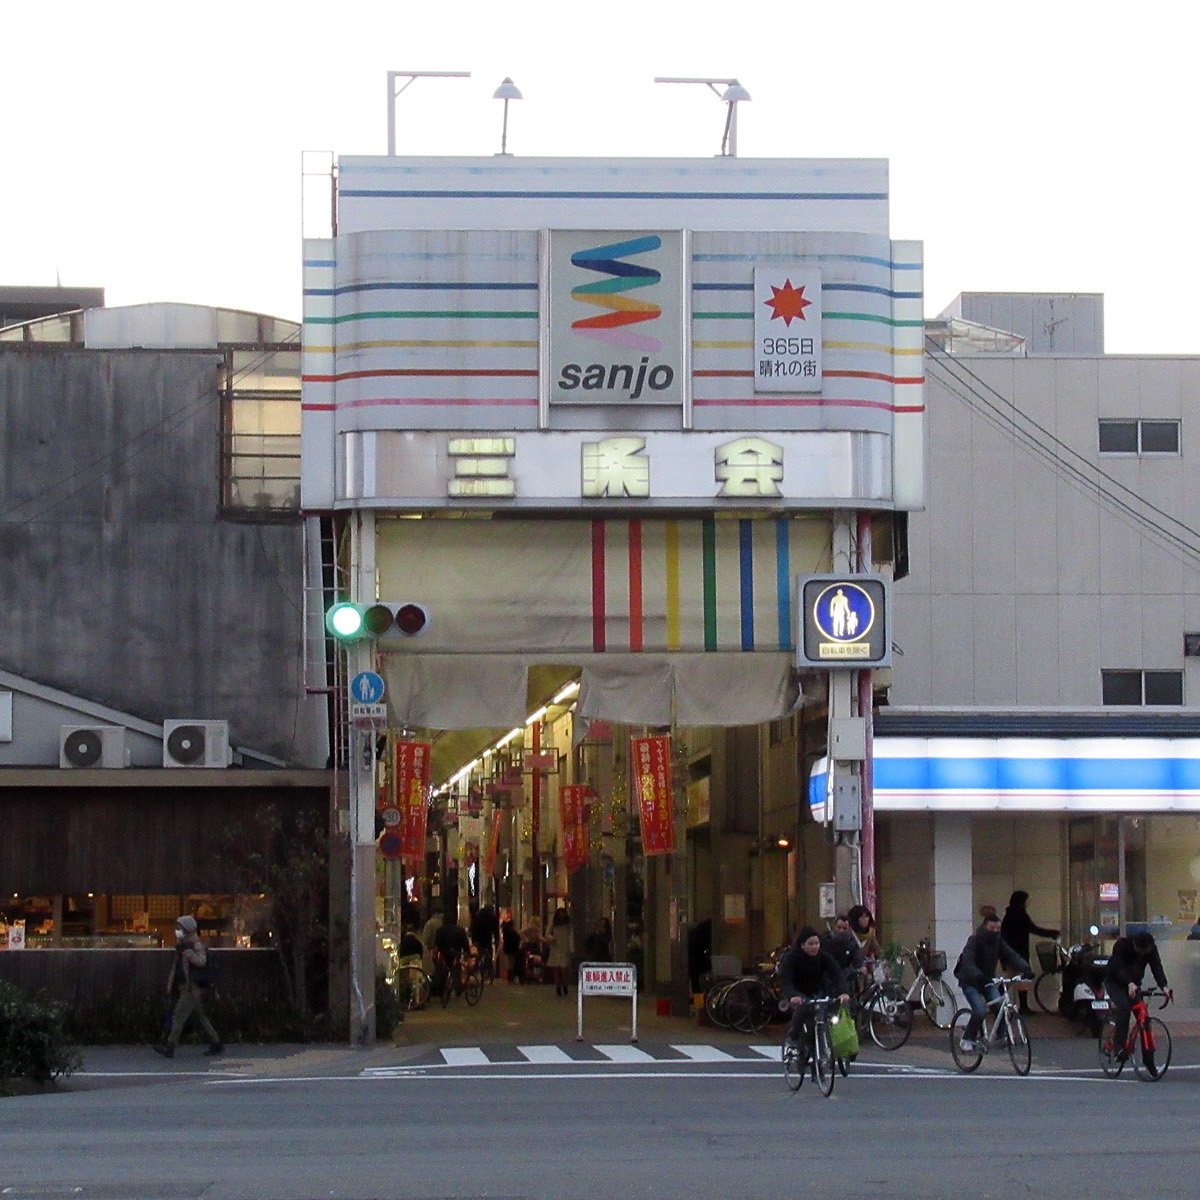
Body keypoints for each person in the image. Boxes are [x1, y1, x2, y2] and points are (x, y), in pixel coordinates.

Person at [953, 912, 1031, 1052]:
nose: (995, 931)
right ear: (984, 927)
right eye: (992, 928)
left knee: (999, 1003)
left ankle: (1001, 1035)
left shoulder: (998, 941)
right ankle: (967, 1039)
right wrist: (978, 975)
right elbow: (968, 960)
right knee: (979, 1010)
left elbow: (1010, 955)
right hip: (971, 981)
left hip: (988, 980)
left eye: (998, 928)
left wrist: (1025, 967)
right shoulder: (974, 940)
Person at [154, 915, 222, 1058]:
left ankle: (169, 1046)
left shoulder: (194, 946)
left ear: (187, 930)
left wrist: (190, 955)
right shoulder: (182, 946)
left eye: (180, 928)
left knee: (178, 1016)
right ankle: (216, 1043)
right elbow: (177, 968)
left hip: (191, 987)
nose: (177, 931)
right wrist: (170, 984)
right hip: (186, 986)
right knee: (200, 1016)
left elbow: (202, 961)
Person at [777, 926, 850, 1060]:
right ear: (802, 945)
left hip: (818, 991)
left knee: (826, 1012)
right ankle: (793, 1039)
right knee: (803, 1011)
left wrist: (843, 992)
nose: (814, 947)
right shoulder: (792, 958)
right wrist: (792, 995)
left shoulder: (823, 957)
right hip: (799, 992)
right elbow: (786, 979)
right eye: (811, 944)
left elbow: (836, 974)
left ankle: (820, 1051)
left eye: (817, 943)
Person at [1103, 930, 1172, 1063]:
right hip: (1115, 982)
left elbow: (1156, 967)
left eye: (1145, 952)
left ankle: (1149, 1060)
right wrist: (1129, 983)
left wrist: (1164, 987)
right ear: (1134, 943)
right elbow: (1118, 967)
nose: (1142, 954)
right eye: (1139, 951)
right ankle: (1119, 1048)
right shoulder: (1122, 945)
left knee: (1145, 1020)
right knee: (1124, 1008)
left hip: (1134, 984)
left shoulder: (1150, 949)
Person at [1000, 891, 1059, 1013]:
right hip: (1019, 952)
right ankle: (1022, 1006)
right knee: (1021, 978)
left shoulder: (1008, 916)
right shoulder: (1021, 915)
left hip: (1009, 953)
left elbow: (1004, 936)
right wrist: (1052, 933)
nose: (1028, 902)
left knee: (1009, 979)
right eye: (1026, 900)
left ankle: (996, 1001)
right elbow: (1034, 929)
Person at [821, 913, 865, 992]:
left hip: (847, 979)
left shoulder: (852, 943)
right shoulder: (825, 940)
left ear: (849, 929)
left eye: (845, 928)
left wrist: (859, 967)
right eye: (839, 927)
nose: (841, 931)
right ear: (834, 927)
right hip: (828, 981)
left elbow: (857, 960)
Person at [433, 912, 471, 995]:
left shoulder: (440, 930)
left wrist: (437, 951)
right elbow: (465, 943)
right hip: (456, 952)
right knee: (456, 969)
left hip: (444, 952)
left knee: (444, 969)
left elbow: (436, 944)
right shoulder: (460, 930)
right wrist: (467, 953)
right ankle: (458, 987)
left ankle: (442, 987)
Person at [547, 907, 573, 997]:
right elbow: (547, 933)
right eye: (560, 914)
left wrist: (571, 948)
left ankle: (565, 985)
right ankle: (558, 987)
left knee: (564, 969)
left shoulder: (568, 925)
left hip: (564, 948)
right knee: (556, 969)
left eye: (563, 913)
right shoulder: (553, 924)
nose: (562, 915)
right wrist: (551, 939)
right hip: (555, 948)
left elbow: (571, 937)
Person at [687, 917, 713, 993]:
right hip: (697, 960)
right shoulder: (703, 933)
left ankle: (698, 997)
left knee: (695, 982)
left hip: (693, 961)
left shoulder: (696, 933)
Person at [501, 914, 522, 982]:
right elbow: (518, 938)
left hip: (507, 949)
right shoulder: (513, 932)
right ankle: (511, 977)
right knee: (512, 963)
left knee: (509, 963)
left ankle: (510, 977)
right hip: (513, 949)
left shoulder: (505, 932)